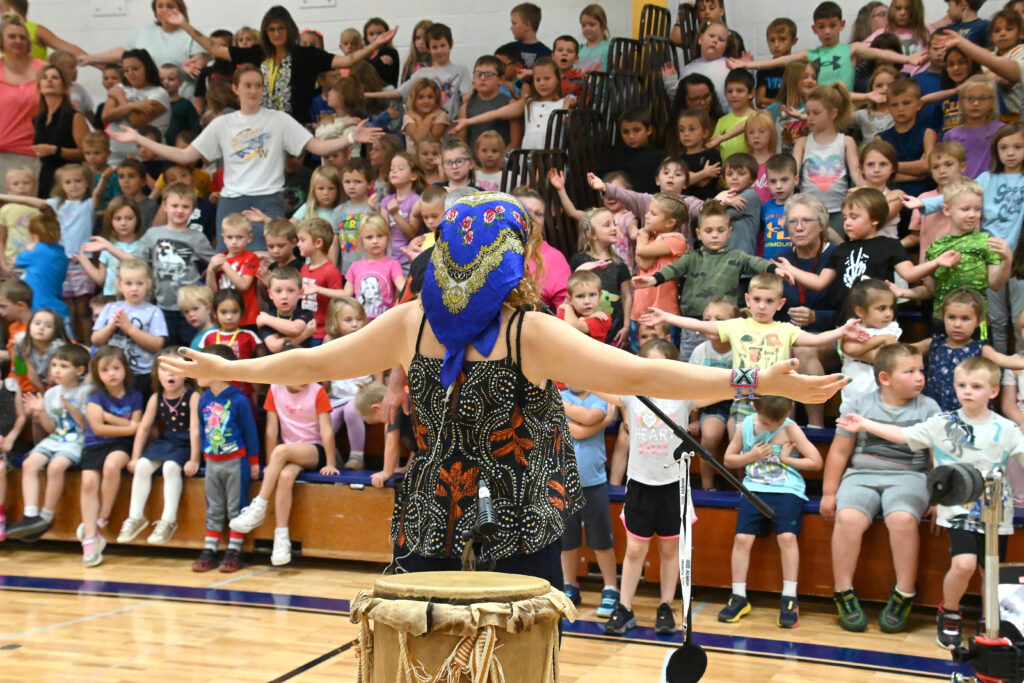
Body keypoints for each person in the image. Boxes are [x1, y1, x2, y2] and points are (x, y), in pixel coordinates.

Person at [161, 191, 851, 588]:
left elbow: (642, 374)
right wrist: (227, 370)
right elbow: (312, 362)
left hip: (520, 511)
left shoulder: (533, 332)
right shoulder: (411, 322)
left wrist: (752, 376)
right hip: (433, 507)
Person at [839, 356, 1024, 649]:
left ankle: (991, 622)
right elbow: (903, 435)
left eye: (976, 386)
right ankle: (949, 611)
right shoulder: (943, 423)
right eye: (961, 385)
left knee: (991, 571)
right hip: (959, 508)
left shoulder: (1007, 429)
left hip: (995, 512)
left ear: (993, 391)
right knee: (964, 564)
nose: (967, 391)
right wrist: (864, 422)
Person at [106, 65, 385, 250]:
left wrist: (351, 137)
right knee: (231, 264)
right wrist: (139, 139)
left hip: (269, 199)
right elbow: (185, 155)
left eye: (258, 86)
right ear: (236, 89)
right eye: (248, 85)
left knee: (270, 262)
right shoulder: (222, 124)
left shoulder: (278, 120)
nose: (253, 91)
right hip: (232, 201)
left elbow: (315, 146)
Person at [823, 342, 940, 633]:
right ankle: (843, 592)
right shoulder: (859, 404)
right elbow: (839, 451)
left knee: (901, 519)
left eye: (921, 371)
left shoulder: (929, 407)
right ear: (885, 378)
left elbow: (938, 456)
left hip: (910, 475)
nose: (919, 377)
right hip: (862, 474)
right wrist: (828, 492)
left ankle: (904, 593)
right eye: (910, 371)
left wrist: (940, 496)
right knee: (848, 517)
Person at [158, 4, 396, 122]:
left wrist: (376, 45)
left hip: (296, 125)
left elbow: (347, 59)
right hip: (260, 123)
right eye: (271, 29)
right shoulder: (255, 53)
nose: (276, 33)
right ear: (265, 31)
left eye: (281, 28)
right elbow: (214, 48)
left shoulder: (306, 55)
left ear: (289, 29)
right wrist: (183, 24)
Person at [601, 338, 694, 636]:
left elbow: (719, 388)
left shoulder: (684, 395)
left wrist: (758, 381)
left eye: (661, 365)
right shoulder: (632, 395)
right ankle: (624, 608)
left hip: (674, 485)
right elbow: (593, 381)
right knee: (635, 549)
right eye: (649, 364)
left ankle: (666, 606)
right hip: (641, 484)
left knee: (669, 550)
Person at [718, 395, 821, 628]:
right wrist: (751, 457)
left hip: (787, 489)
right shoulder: (745, 425)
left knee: (787, 537)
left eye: (778, 421)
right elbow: (728, 459)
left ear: (790, 410)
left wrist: (786, 459)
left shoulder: (791, 428)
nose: (773, 426)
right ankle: (738, 596)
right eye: (767, 422)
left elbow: (816, 461)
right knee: (742, 538)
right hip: (755, 488)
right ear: (754, 407)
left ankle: (789, 598)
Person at [229, 377, 336, 566]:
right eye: (297, 373)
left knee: (280, 451)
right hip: (289, 453)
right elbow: (271, 429)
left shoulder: (317, 391)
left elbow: (327, 430)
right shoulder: (275, 389)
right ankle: (281, 539)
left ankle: (259, 506)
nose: (303, 377)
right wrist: (273, 467)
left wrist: (331, 462)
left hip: (314, 450)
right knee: (285, 477)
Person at [3, 344, 87, 541]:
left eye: (64, 366)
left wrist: (71, 409)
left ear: (80, 371)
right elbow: (52, 429)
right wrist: (40, 412)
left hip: (78, 441)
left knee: (56, 466)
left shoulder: (86, 391)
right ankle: (31, 515)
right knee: (29, 463)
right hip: (56, 438)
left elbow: (86, 427)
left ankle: (46, 516)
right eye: (54, 365)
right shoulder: (51, 394)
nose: (56, 370)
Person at [118, 347, 199, 545]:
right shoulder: (156, 398)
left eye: (175, 368)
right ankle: (136, 517)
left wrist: (195, 459)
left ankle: (168, 520)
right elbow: (144, 429)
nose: (170, 373)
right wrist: (135, 457)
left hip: (186, 444)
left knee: (171, 467)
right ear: (156, 374)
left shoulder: (193, 396)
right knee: (144, 465)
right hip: (168, 439)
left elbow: (196, 430)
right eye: (164, 369)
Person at [192, 344, 259, 573]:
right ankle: (210, 549)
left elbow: (250, 431)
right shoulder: (203, 400)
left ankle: (234, 550)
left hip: (235, 461)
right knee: (214, 507)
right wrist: (204, 455)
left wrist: (254, 461)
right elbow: (203, 430)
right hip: (212, 462)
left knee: (235, 507)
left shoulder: (238, 399)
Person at [79, 345, 144, 567]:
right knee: (88, 482)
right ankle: (89, 538)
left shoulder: (135, 396)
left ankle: (101, 518)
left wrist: (111, 418)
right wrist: (128, 426)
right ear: (97, 373)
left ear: (125, 369)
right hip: (95, 444)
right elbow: (98, 428)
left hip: (121, 446)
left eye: (116, 368)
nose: (111, 374)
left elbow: (139, 426)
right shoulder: (94, 396)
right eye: (105, 370)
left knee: (111, 465)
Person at [560, 379, 619, 615]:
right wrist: (607, 421)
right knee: (568, 541)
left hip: (594, 483)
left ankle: (611, 588)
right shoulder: (561, 397)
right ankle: (568, 585)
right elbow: (576, 430)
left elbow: (590, 419)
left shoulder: (600, 396)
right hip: (565, 485)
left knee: (602, 539)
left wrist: (598, 418)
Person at [132, 182, 215, 347]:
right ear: (164, 206)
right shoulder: (153, 234)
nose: (179, 210)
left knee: (190, 349)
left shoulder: (197, 237)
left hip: (190, 308)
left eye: (185, 206)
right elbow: (136, 261)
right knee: (166, 350)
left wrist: (208, 276)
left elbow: (213, 261)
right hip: (161, 305)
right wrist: (110, 248)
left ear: (192, 210)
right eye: (174, 205)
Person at [90, 258, 168, 396]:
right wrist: (112, 325)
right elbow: (96, 340)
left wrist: (130, 329)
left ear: (148, 284)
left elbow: (157, 344)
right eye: (128, 283)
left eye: (140, 283)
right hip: (112, 372)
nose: (134, 288)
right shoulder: (110, 308)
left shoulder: (154, 311)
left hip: (142, 374)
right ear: (119, 285)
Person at [0, 14, 45, 183]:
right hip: (2, 153)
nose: (18, 41)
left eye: (22, 37)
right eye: (12, 36)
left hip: (35, 154)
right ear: (2, 41)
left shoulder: (44, 70)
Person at [32, 64, 87, 199]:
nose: (49, 81)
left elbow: (86, 153)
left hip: (70, 179)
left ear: (64, 87)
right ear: (39, 86)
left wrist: (56, 150)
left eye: (54, 78)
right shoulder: (38, 119)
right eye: (44, 78)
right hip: (46, 176)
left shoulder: (74, 116)